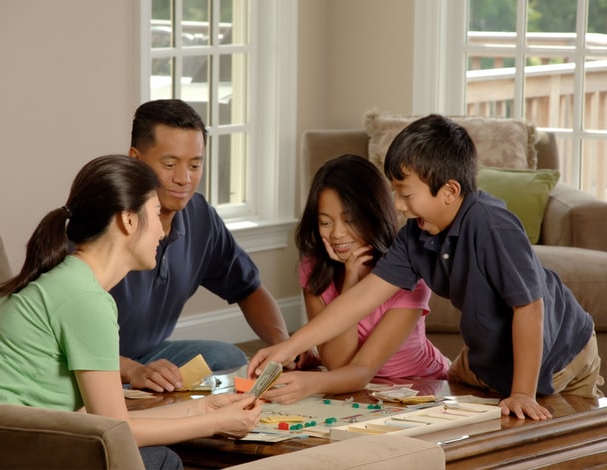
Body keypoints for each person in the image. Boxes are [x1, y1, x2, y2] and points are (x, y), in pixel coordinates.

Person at [249, 114, 604, 421]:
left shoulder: (493, 226)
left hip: (558, 354)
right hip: (488, 359)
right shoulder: (415, 237)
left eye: (406, 194)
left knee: (554, 439)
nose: (399, 206)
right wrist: (288, 347)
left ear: (449, 191)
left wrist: (523, 392)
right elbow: (359, 301)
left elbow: (529, 307)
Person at [0, 155, 262, 470]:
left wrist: (206, 409)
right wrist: (216, 423)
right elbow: (115, 430)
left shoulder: (70, 281)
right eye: (157, 213)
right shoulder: (85, 299)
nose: (163, 232)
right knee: (160, 460)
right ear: (129, 220)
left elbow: (103, 419)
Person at [112, 99, 298, 394]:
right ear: (135, 159)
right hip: (92, 363)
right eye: (170, 164)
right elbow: (64, 339)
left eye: (195, 164)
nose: (184, 179)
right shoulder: (106, 222)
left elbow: (248, 288)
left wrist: (282, 346)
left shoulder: (199, 216)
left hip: (148, 353)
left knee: (227, 357)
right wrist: (132, 370)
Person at [262, 155, 450, 404]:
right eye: (326, 222)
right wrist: (350, 280)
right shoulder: (315, 269)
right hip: (357, 390)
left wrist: (310, 382)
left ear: (373, 214)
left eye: (349, 220)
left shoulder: (409, 273)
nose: (337, 234)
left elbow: (361, 369)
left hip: (421, 386)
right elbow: (337, 363)